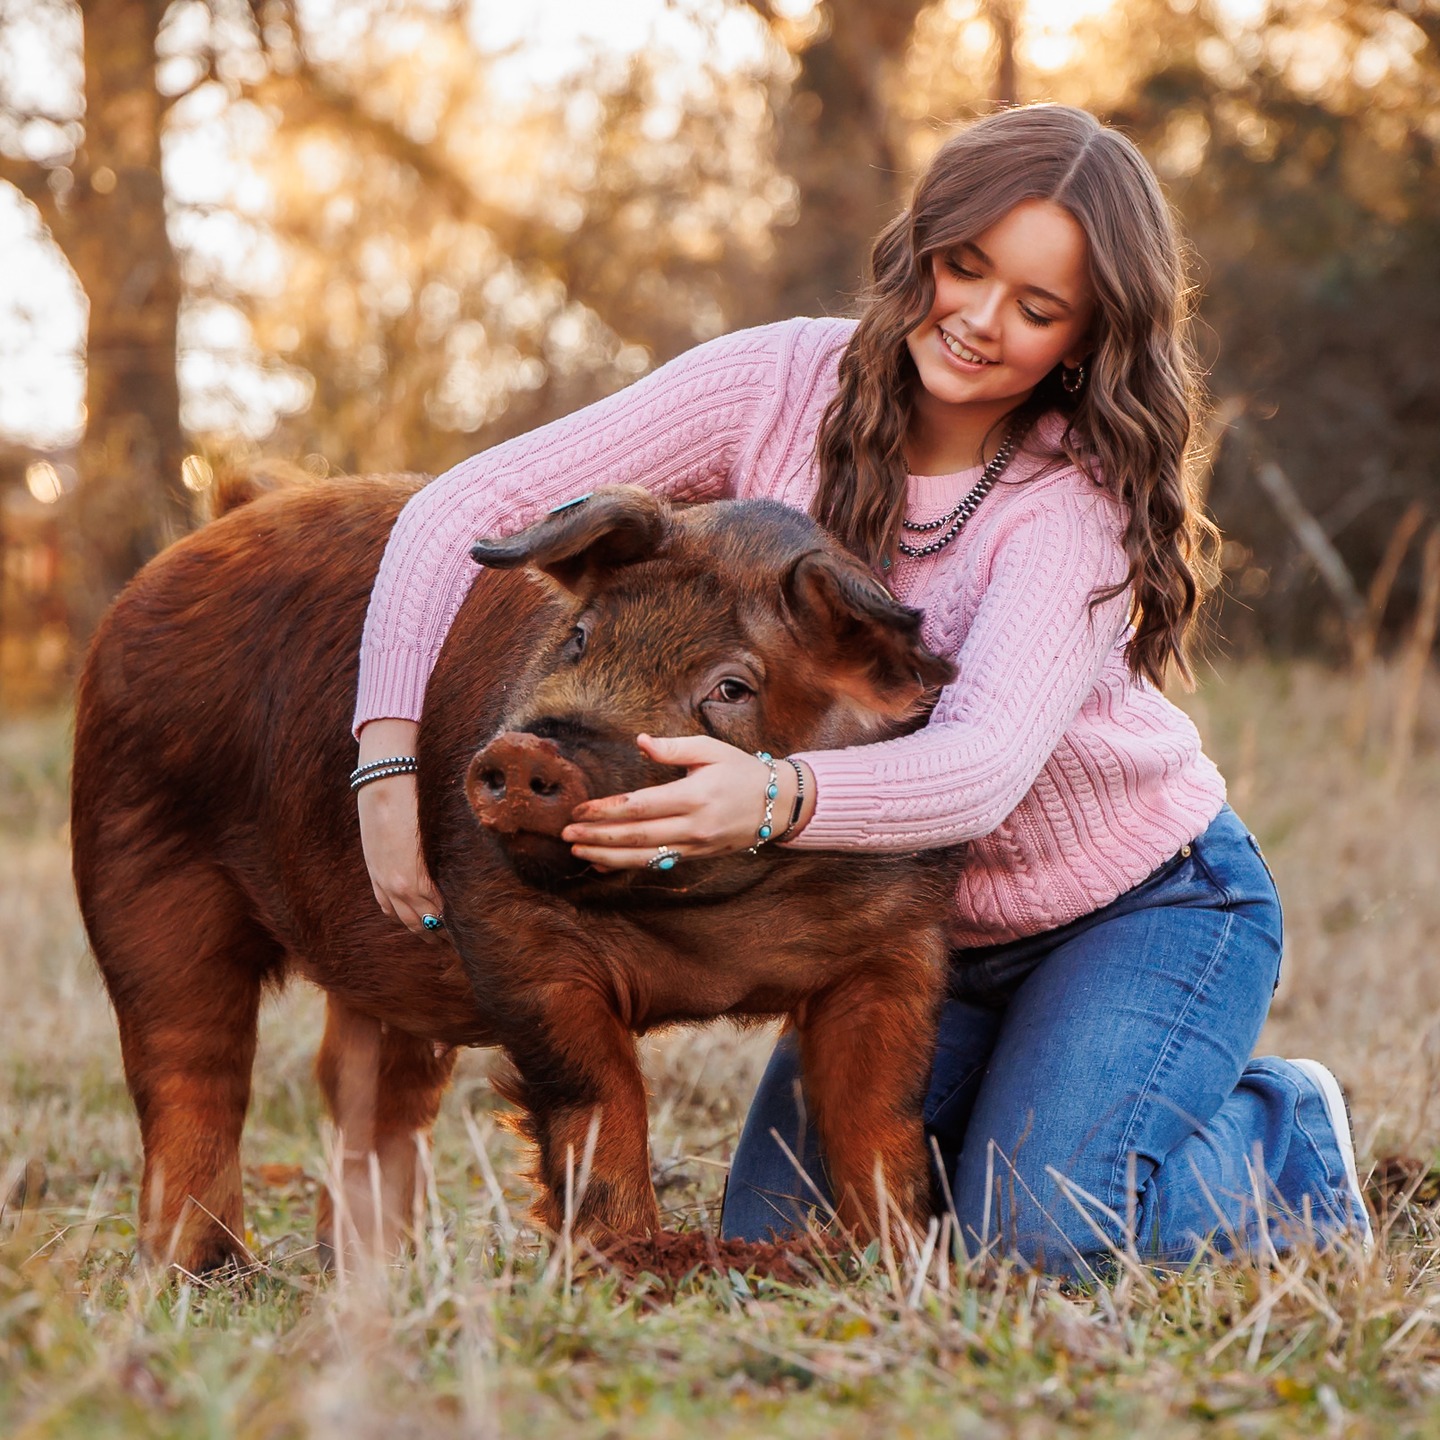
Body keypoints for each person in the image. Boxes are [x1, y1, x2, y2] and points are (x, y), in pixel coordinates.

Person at [351, 104, 1370, 1276]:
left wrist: (770, 800)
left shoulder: (1073, 504)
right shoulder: (781, 381)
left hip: (1136, 911)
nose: (979, 319)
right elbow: (461, 509)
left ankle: (1285, 1135)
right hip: (896, 929)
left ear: (1088, 339)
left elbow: (980, 768)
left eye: (1038, 307)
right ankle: (1036, 1110)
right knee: (785, 1244)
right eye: (965, 266)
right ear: (919, 247)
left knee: (1041, 1240)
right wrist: (384, 761)